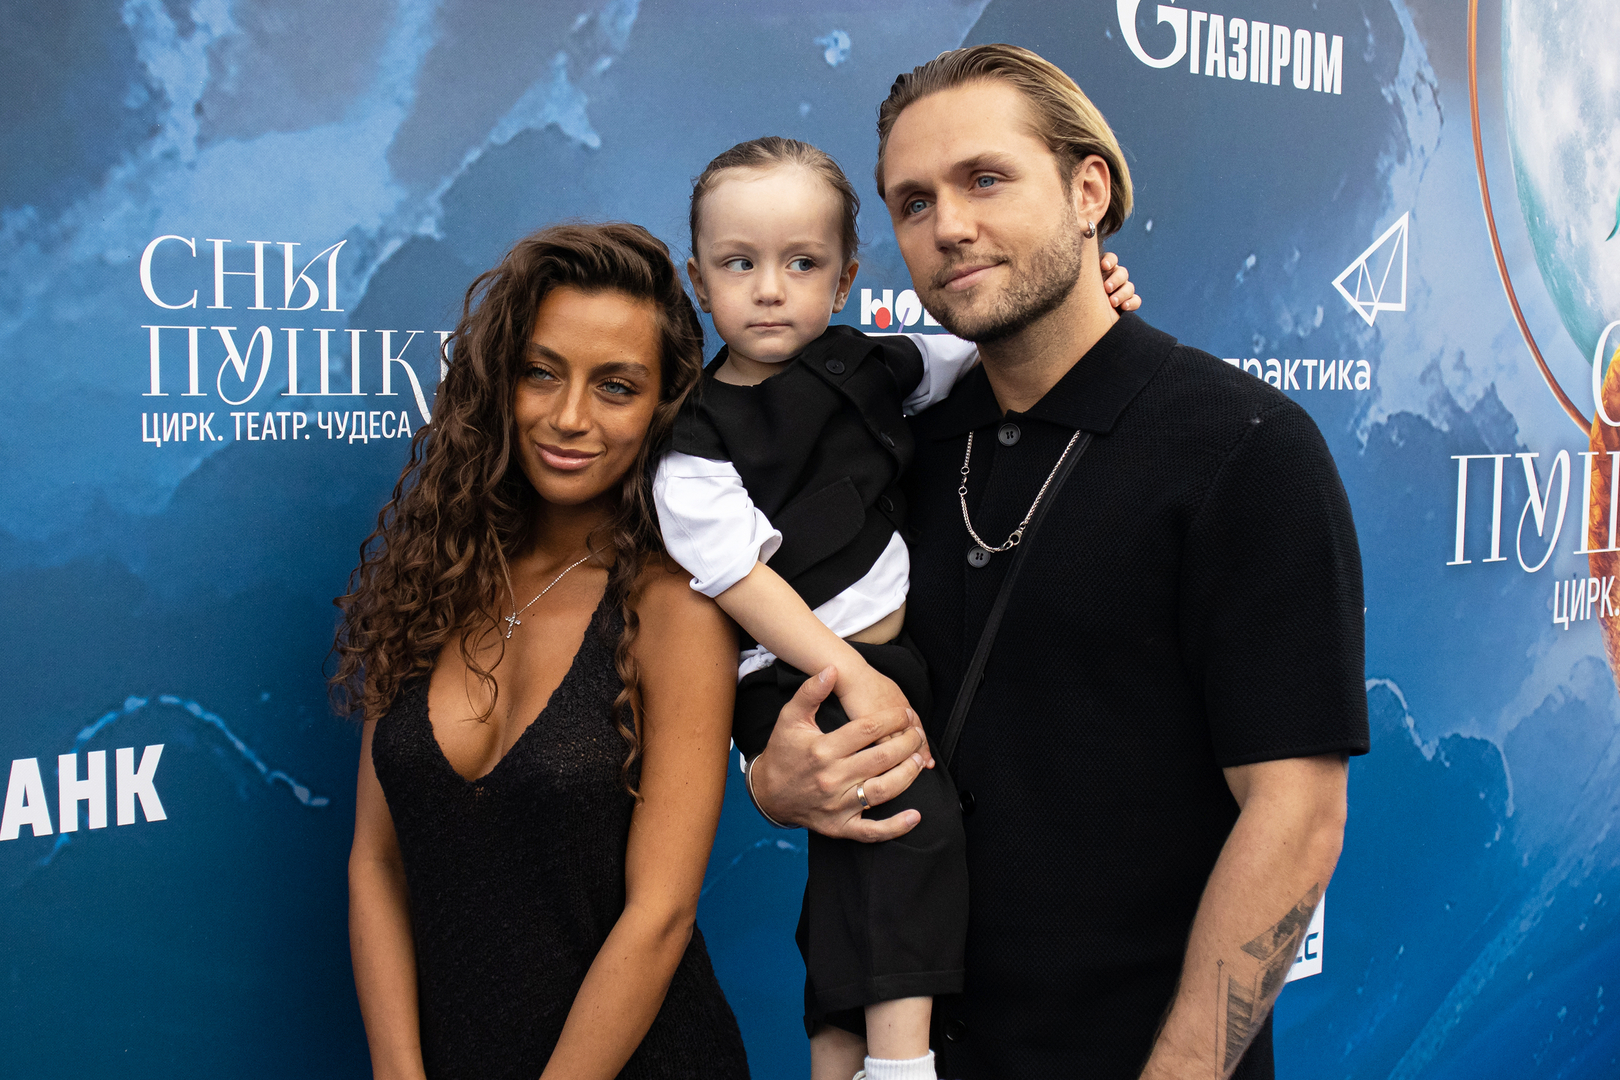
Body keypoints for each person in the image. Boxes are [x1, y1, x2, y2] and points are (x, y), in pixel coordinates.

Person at [746, 44, 1370, 1080]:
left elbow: (1296, 815)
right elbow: (798, 672)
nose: (948, 226)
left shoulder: (1244, 446)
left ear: (1089, 192)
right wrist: (773, 781)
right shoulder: (892, 444)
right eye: (913, 202)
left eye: (986, 179)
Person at [653, 136, 1140, 1080]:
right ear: (698, 280)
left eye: (802, 264)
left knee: (856, 859)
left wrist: (1095, 292)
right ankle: (903, 1064)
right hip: (795, 679)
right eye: (739, 264)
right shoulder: (694, 438)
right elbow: (737, 578)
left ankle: (836, 1059)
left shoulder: (877, 363)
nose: (769, 290)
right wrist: (852, 677)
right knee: (909, 829)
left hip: (887, 666)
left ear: (845, 279)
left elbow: (999, 354)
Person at [335, 222, 750, 1080]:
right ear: (499, 381)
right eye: (541, 372)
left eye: (616, 386)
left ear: (663, 407)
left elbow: (659, 917)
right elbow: (377, 861)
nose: (569, 418)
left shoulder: (677, 606)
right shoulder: (428, 578)